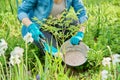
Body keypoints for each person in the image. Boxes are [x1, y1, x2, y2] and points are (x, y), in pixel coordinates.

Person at [17, 0, 88, 57]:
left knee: (74, 24)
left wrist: (80, 33)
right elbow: (22, 11)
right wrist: (31, 27)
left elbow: (82, 13)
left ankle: (67, 46)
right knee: (55, 54)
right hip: (39, 29)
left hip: (58, 26)